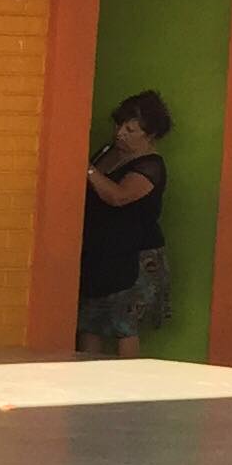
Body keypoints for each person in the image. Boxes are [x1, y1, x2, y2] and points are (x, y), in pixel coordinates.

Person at [77, 89, 173, 358]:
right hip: (99, 253)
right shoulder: (108, 152)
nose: (120, 133)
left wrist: (86, 168)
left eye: (131, 130)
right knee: (88, 321)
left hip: (132, 257)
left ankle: (129, 379)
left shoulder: (151, 166)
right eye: (119, 126)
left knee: (123, 324)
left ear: (150, 134)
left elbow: (118, 196)